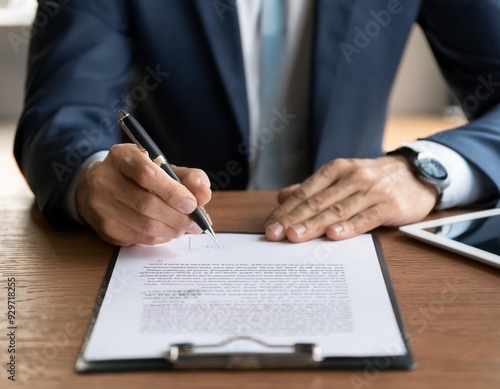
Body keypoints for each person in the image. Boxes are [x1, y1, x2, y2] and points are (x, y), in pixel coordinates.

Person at [14, 0, 500, 246]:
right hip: (171, 244)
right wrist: (90, 177)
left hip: (360, 238)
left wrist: (424, 171)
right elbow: (62, 108)